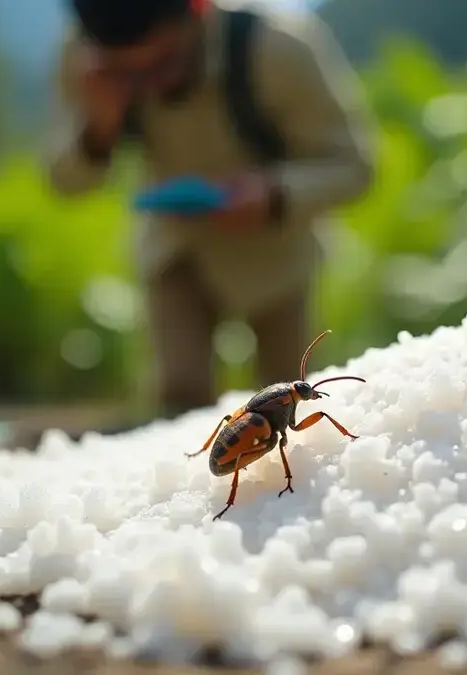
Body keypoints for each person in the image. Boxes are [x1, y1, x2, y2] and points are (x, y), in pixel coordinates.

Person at [46, 0, 374, 421]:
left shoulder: (278, 48)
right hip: (175, 248)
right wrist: (99, 125)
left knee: (290, 396)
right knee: (177, 400)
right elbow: (65, 183)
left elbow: (355, 167)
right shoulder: (86, 59)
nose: (152, 85)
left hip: (277, 251)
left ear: (198, 10)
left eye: (162, 63)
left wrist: (273, 194)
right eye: (131, 74)